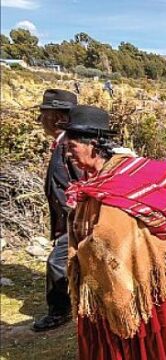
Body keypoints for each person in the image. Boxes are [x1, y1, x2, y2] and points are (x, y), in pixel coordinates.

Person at [63, 105, 166, 360]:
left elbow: (111, 237)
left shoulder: (123, 177)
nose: (69, 155)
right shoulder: (96, 182)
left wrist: (84, 250)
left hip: (139, 268)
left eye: (72, 148)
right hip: (119, 269)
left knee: (146, 325)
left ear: (92, 144)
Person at [31, 89, 82, 332]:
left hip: (74, 219)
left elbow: (82, 181)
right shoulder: (62, 144)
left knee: (57, 263)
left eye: (45, 114)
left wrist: (75, 216)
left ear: (57, 117)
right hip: (68, 220)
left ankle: (60, 311)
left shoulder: (70, 147)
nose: (41, 120)